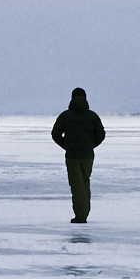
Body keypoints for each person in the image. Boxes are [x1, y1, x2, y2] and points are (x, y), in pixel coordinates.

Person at [50, 87, 105, 224]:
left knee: (77, 185)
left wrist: (67, 146)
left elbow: (55, 134)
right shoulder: (92, 116)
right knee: (85, 183)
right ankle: (84, 213)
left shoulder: (65, 116)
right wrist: (90, 145)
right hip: (87, 156)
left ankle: (80, 216)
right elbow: (101, 134)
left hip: (72, 156)